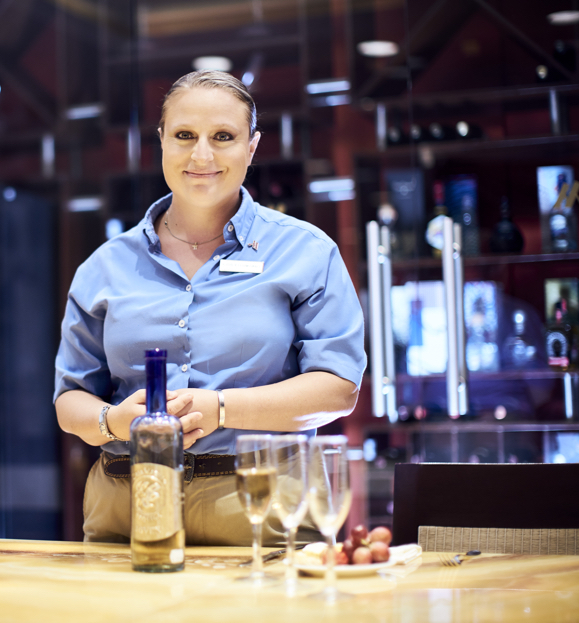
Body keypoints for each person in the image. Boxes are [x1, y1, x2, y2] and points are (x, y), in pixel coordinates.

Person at [53, 70, 366, 546]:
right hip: (126, 508)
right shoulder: (103, 266)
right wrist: (114, 421)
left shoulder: (307, 252)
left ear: (252, 147)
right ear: (161, 140)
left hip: (265, 506)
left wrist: (220, 408)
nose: (202, 155)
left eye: (223, 137)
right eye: (184, 136)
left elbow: (338, 389)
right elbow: (70, 400)